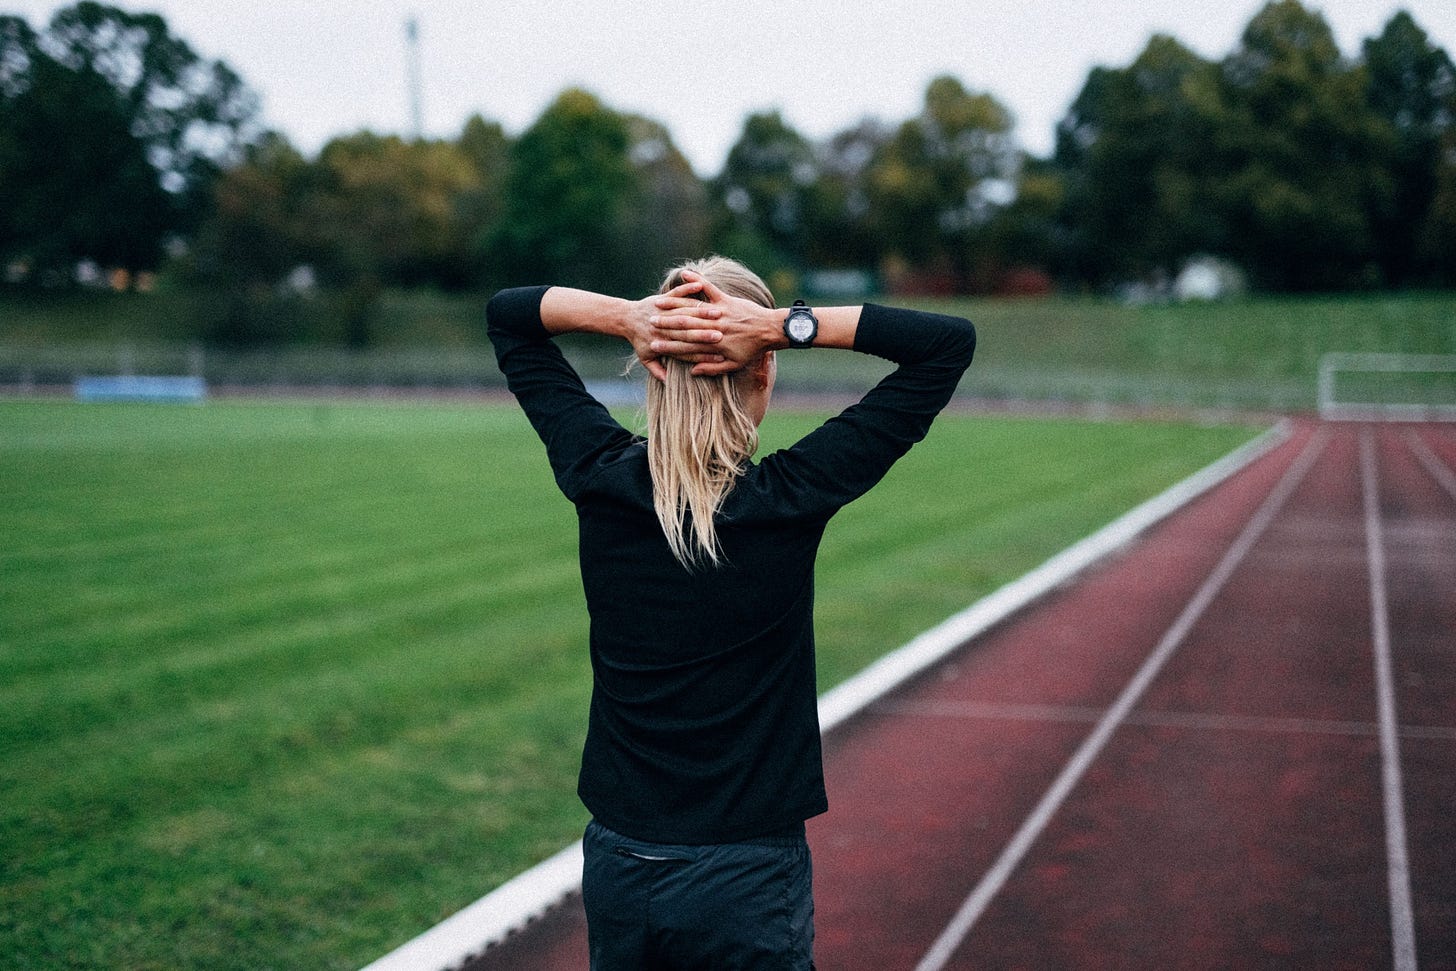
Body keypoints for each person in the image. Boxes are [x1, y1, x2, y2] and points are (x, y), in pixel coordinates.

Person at [486, 256, 975, 970]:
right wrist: (784, 326)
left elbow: (510, 315)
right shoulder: (786, 498)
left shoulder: (598, 475)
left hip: (621, 865)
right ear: (764, 372)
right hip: (746, 877)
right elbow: (946, 343)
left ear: (653, 366)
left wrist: (628, 318)